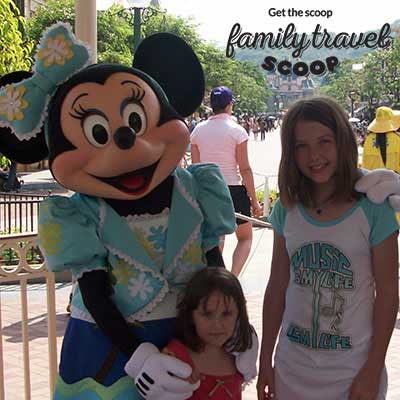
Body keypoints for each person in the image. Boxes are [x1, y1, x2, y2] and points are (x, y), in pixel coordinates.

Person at [0, 24, 259, 400]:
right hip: (107, 349)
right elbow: (93, 292)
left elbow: (213, 265)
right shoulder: (81, 214)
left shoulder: (194, 190)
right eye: (98, 132)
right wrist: (137, 356)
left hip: (192, 339)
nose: (126, 141)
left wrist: (238, 328)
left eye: (136, 121)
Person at [257, 97, 399, 400]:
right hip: (291, 370)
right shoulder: (287, 207)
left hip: (353, 373)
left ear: (343, 143)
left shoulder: (373, 208)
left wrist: (373, 369)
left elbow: (388, 293)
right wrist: (265, 359)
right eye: (301, 146)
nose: (314, 156)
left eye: (324, 141)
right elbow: (277, 286)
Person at [191, 86, 263, 277]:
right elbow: (244, 168)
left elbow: (196, 167)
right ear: (229, 105)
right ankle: (233, 278)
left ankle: (215, 277)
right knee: (245, 237)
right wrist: (254, 200)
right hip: (233, 188)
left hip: (207, 190)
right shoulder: (237, 131)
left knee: (215, 238)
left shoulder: (198, 131)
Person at [163, 267, 256, 399]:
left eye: (226, 314)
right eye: (207, 314)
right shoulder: (175, 356)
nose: (217, 325)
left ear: (239, 315)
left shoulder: (240, 356)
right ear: (190, 316)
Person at [362, 106, 400, 173]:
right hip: (394, 180)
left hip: (373, 180)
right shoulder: (396, 139)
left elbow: (364, 164)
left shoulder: (368, 139)